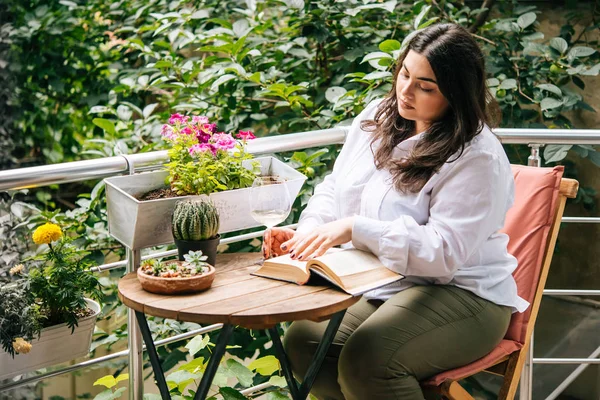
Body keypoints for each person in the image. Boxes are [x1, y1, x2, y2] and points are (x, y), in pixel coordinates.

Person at [262, 23, 529, 400]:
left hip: (465, 293)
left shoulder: (477, 156)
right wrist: (311, 233)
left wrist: (355, 228)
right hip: (386, 283)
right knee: (305, 340)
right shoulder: (378, 117)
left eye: (426, 86)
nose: (406, 91)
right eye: (405, 73)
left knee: (370, 359)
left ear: (456, 93)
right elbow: (337, 186)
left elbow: (442, 254)